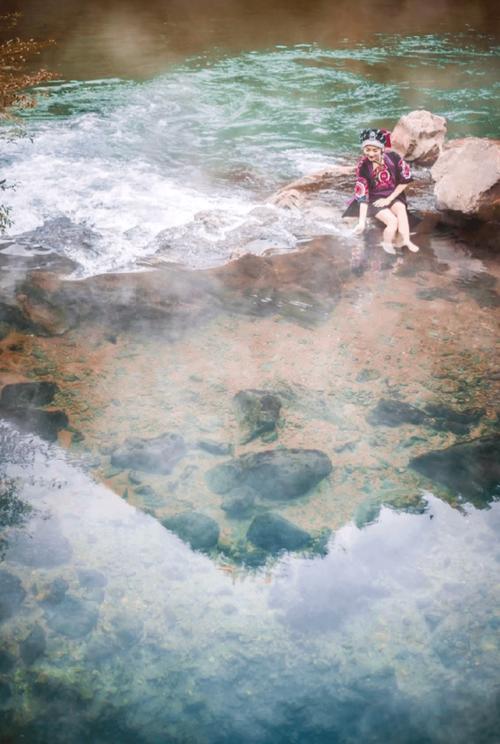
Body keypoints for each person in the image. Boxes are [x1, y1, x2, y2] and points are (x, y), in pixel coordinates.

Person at [343, 128, 419, 254]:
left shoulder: (393, 157)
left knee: (400, 208)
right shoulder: (363, 166)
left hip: (392, 195)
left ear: (382, 149)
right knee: (392, 221)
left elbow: (405, 180)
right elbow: (362, 195)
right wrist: (361, 222)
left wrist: (389, 199)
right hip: (374, 199)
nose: (371, 154)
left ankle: (405, 240)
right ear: (363, 149)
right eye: (367, 150)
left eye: (375, 150)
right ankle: (387, 243)